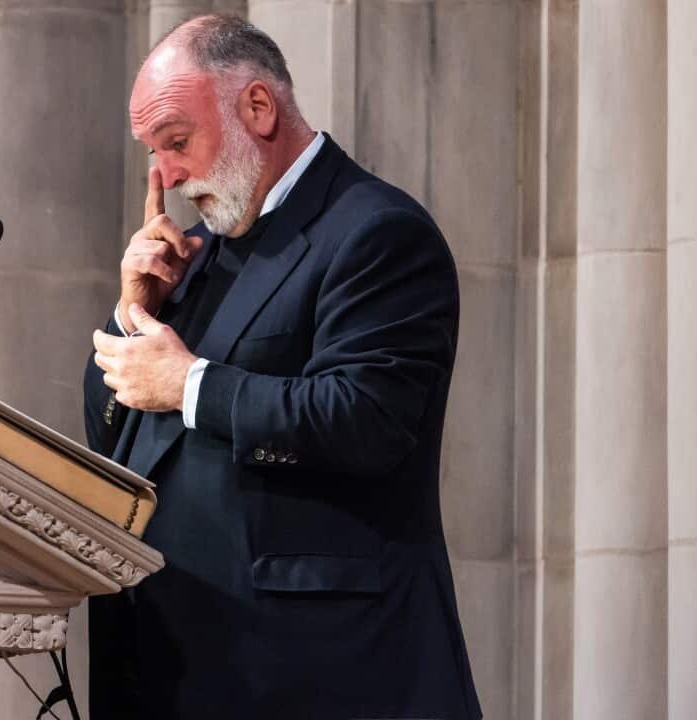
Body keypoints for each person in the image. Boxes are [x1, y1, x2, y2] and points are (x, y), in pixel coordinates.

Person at [82, 14, 482, 720]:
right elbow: (116, 441)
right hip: (173, 662)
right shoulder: (195, 251)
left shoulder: (375, 232)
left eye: (177, 143)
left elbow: (366, 419)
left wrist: (189, 384)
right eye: (155, 153)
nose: (168, 178)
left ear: (258, 109)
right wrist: (131, 314)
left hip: (317, 671)